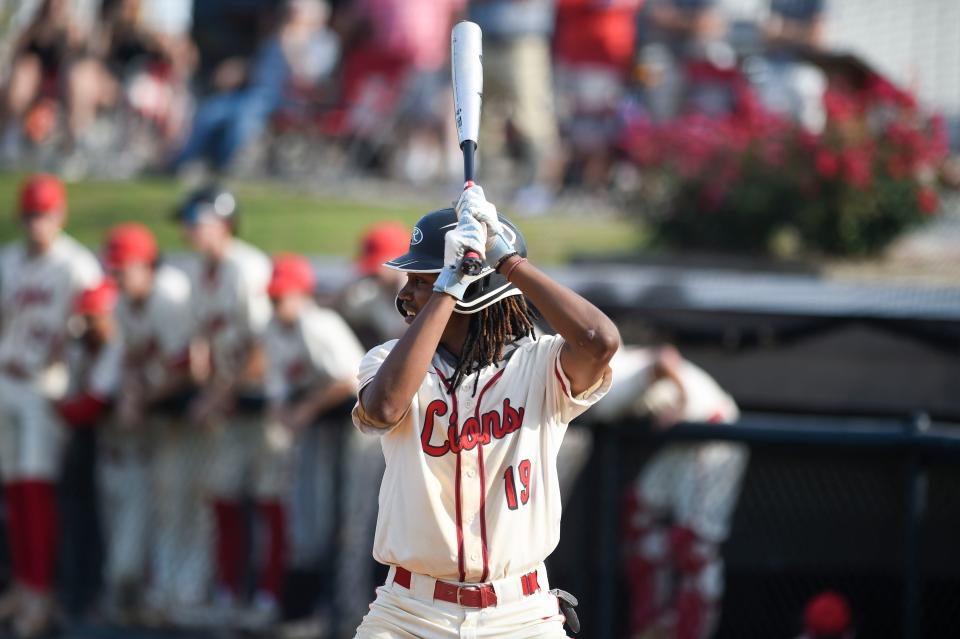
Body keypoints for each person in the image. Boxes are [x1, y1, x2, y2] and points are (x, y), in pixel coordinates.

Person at [351, 185, 620, 637]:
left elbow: (600, 341)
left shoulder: (540, 365)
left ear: (479, 289)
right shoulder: (387, 360)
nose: (409, 294)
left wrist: (505, 259)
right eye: (418, 281)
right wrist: (448, 286)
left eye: (423, 280)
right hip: (411, 611)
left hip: (520, 612)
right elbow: (382, 409)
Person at [0, 174, 102, 638]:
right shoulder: (8, 260)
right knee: (15, 492)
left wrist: (70, 367)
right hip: (7, 379)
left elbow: (95, 326)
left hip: (47, 385)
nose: (37, 222)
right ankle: (24, 586)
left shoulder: (76, 264)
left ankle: (42, 590)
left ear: (58, 215)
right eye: (31, 215)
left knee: (38, 490)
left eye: (44, 214)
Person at [175, 185, 276, 623]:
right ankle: (228, 592)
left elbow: (262, 348)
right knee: (225, 500)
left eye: (197, 222)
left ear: (223, 222)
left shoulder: (247, 266)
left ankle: (269, 600)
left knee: (271, 504)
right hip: (230, 400)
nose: (189, 231)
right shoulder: (199, 272)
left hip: (268, 400)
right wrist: (207, 386)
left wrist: (214, 395)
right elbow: (203, 341)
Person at [100, 223, 205, 624]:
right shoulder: (125, 303)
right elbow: (131, 359)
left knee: (191, 507)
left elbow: (188, 369)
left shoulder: (168, 293)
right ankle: (166, 595)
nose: (116, 277)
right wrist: (132, 394)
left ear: (145, 265)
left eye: (122, 269)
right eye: (113, 270)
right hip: (167, 412)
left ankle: (187, 598)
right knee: (168, 504)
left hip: (199, 410)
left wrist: (139, 398)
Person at [608, 345, 748, 639]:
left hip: (713, 429)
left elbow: (665, 356)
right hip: (685, 438)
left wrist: (682, 400)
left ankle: (685, 630)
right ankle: (653, 623)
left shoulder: (612, 371)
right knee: (637, 512)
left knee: (693, 545)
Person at [260, 253, 364, 630]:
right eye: (272, 296)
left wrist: (303, 410)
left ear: (301, 294)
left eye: (281, 296)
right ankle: (308, 613)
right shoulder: (273, 328)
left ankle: (340, 613)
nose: (275, 303)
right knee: (308, 525)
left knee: (347, 523)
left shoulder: (318, 323)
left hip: (354, 430)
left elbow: (349, 380)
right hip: (315, 433)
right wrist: (289, 413)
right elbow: (277, 390)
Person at [171, 0, 339, 174]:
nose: (290, 16)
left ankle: (221, 165)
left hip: (288, 100)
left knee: (243, 119)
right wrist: (239, 69)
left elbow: (306, 78)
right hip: (252, 92)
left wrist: (291, 43)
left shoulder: (324, 42)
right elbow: (259, 66)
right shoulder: (276, 35)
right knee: (210, 112)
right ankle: (182, 162)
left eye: (296, 12)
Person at [56, 279, 122, 618]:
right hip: (99, 449)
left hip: (135, 449)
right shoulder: (83, 348)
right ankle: (86, 596)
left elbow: (90, 404)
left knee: (119, 536)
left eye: (94, 317)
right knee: (87, 520)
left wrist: (53, 406)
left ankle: (104, 598)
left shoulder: (118, 344)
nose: (88, 326)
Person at [469, 0, 563, 214]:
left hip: (524, 41)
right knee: (482, 121)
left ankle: (538, 187)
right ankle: (482, 185)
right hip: (484, 37)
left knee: (532, 118)